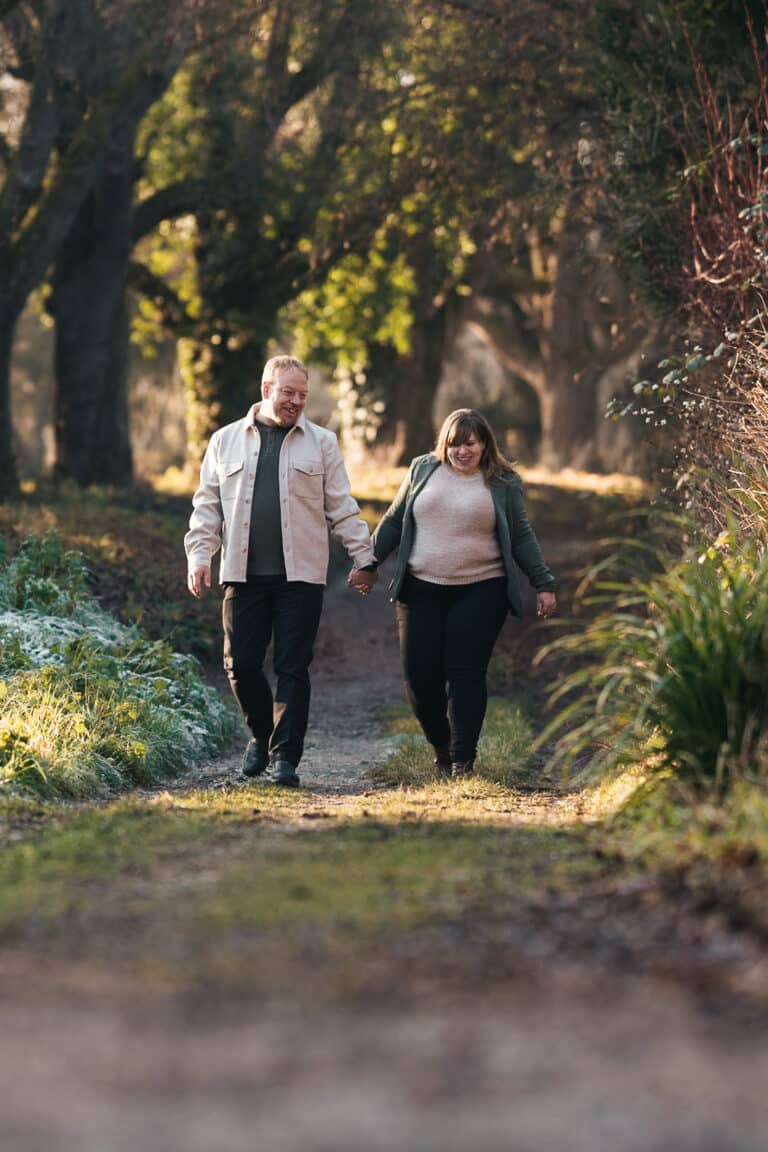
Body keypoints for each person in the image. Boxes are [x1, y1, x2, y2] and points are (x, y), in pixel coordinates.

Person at [185, 354, 378, 788]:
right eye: (288, 392)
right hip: (242, 572)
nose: (295, 401)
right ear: (266, 389)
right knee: (241, 664)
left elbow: (341, 507)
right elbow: (208, 506)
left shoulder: (322, 443)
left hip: (301, 576)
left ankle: (285, 758)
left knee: (293, 666)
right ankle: (262, 734)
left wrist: (363, 556)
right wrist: (200, 556)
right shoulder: (225, 440)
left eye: (303, 395)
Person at [362, 408, 556, 778]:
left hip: (482, 590)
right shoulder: (422, 468)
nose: (462, 452)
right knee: (420, 677)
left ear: (485, 445)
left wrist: (543, 582)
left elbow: (521, 536)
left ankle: (463, 761)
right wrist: (367, 562)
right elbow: (394, 519)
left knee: (466, 673)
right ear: (444, 444)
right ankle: (443, 746)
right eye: (455, 444)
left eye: (470, 444)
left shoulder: (503, 481)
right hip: (420, 588)